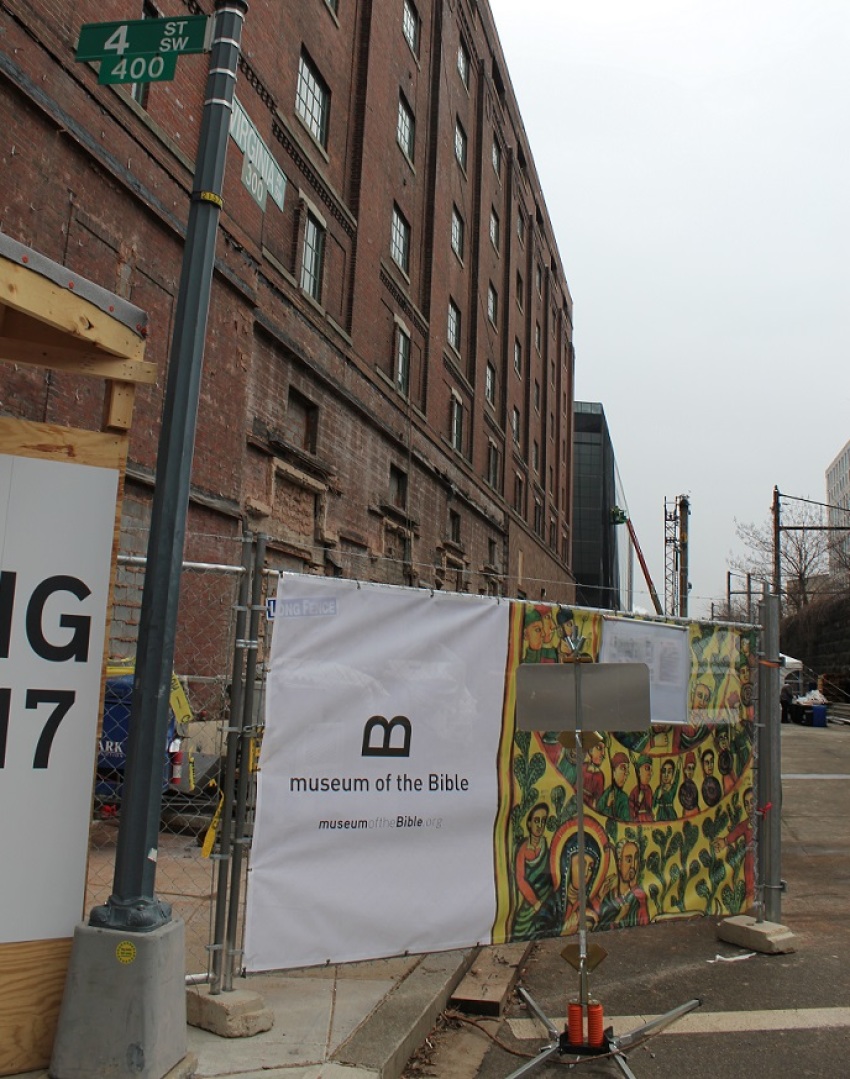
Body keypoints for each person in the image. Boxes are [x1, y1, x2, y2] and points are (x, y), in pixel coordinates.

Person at [513, 802, 556, 939]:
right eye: (536, 821)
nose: (539, 825)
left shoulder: (548, 849)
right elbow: (520, 879)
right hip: (530, 903)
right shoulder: (522, 850)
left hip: (547, 899)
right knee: (519, 931)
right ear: (529, 823)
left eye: (543, 821)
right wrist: (535, 902)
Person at [597, 838, 649, 928]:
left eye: (636, 859)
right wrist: (619, 917)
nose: (633, 865)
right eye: (628, 860)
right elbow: (599, 928)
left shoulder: (639, 898)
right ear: (619, 863)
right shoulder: (609, 898)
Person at [596, 752, 631, 821]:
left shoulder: (624, 797)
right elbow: (598, 815)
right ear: (614, 771)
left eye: (627, 769)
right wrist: (608, 806)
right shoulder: (608, 793)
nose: (627, 773)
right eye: (623, 768)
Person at [628, 754, 654, 822]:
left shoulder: (649, 790)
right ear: (639, 772)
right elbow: (631, 814)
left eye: (651, 770)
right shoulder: (634, 791)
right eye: (647, 769)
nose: (651, 773)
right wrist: (638, 802)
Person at [677, 751, 699, 817]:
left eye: (693, 768)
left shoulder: (693, 784)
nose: (691, 771)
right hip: (688, 812)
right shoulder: (684, 786)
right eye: (689, 768)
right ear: (685, 770)